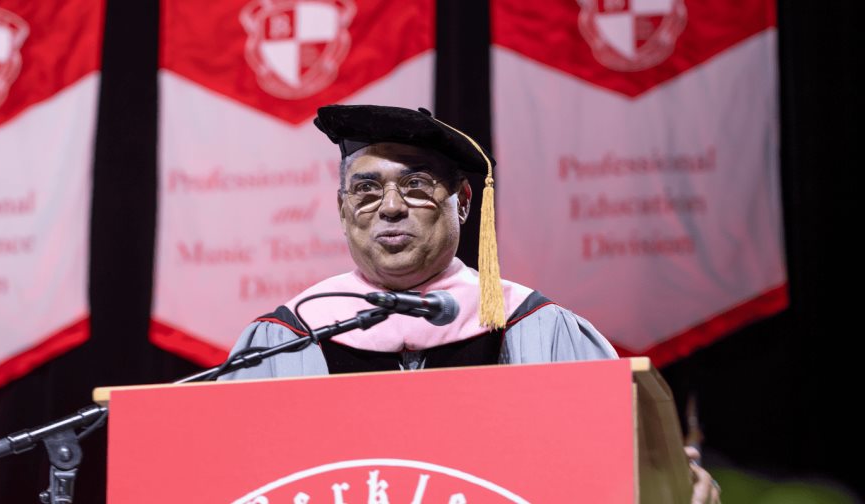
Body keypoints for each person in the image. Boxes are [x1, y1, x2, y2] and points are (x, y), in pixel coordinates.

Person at [223, 104, 720, 503]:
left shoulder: (536, 328)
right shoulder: (283, 341)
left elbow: (609, 474)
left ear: (463, 201)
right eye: (366, 189)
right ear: (342, 209)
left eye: (416, 185)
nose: (390, 206)